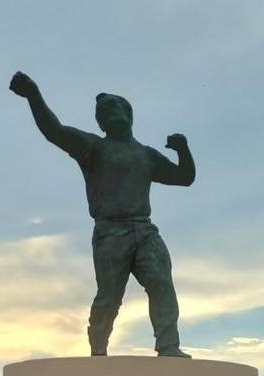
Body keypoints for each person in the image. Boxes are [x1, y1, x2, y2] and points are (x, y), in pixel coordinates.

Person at [10, 71, 195, 358]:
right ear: (99, 123)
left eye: (112, 106)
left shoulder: (146, 155)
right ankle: (98, 348)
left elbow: (184, 177)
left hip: (144, 229)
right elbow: (54, 131)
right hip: (110, 232)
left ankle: (169, 346)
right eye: (102, 111)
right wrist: (33, 94)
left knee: (161, 281)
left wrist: (183, 150)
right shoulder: (94, 147)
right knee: (109, 298)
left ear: (128, 113)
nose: (107, 113)